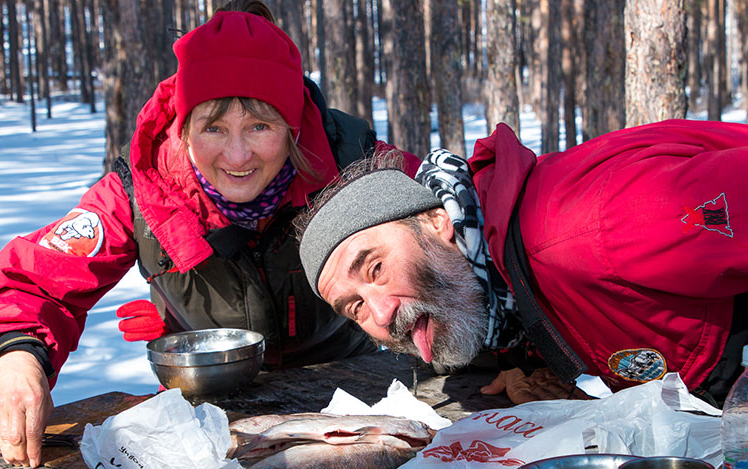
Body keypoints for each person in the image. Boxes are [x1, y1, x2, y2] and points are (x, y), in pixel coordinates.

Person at [0, 4, 419, 469]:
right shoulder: (143, 190)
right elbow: (30, 280)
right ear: (183, 125)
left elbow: (457, 225)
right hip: (206, 420)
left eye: (261, 125)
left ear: (293, 124)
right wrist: (15, 358)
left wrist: (493, 339)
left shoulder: (352, 164)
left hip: (354, 400)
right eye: (212, 127)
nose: (237, 155)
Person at [296, 119, 748, 408]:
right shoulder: (487, 285)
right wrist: (532, 359)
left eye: (375, 269)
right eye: (354, 307)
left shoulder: (598, 226)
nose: (380, 314)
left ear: (437, 221)